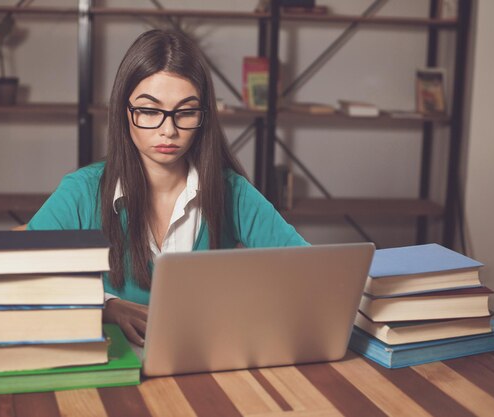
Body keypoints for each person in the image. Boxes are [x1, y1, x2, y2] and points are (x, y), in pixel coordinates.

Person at [27, 29, 308, 346]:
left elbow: (306, 272)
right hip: (118, 370)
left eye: (186, 112)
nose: (168, 130)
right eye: (149, 111)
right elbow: (21, 278)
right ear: (124, 112)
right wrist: (107, 307)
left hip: (205, 362)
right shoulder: (82, 191)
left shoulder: (232, 191)